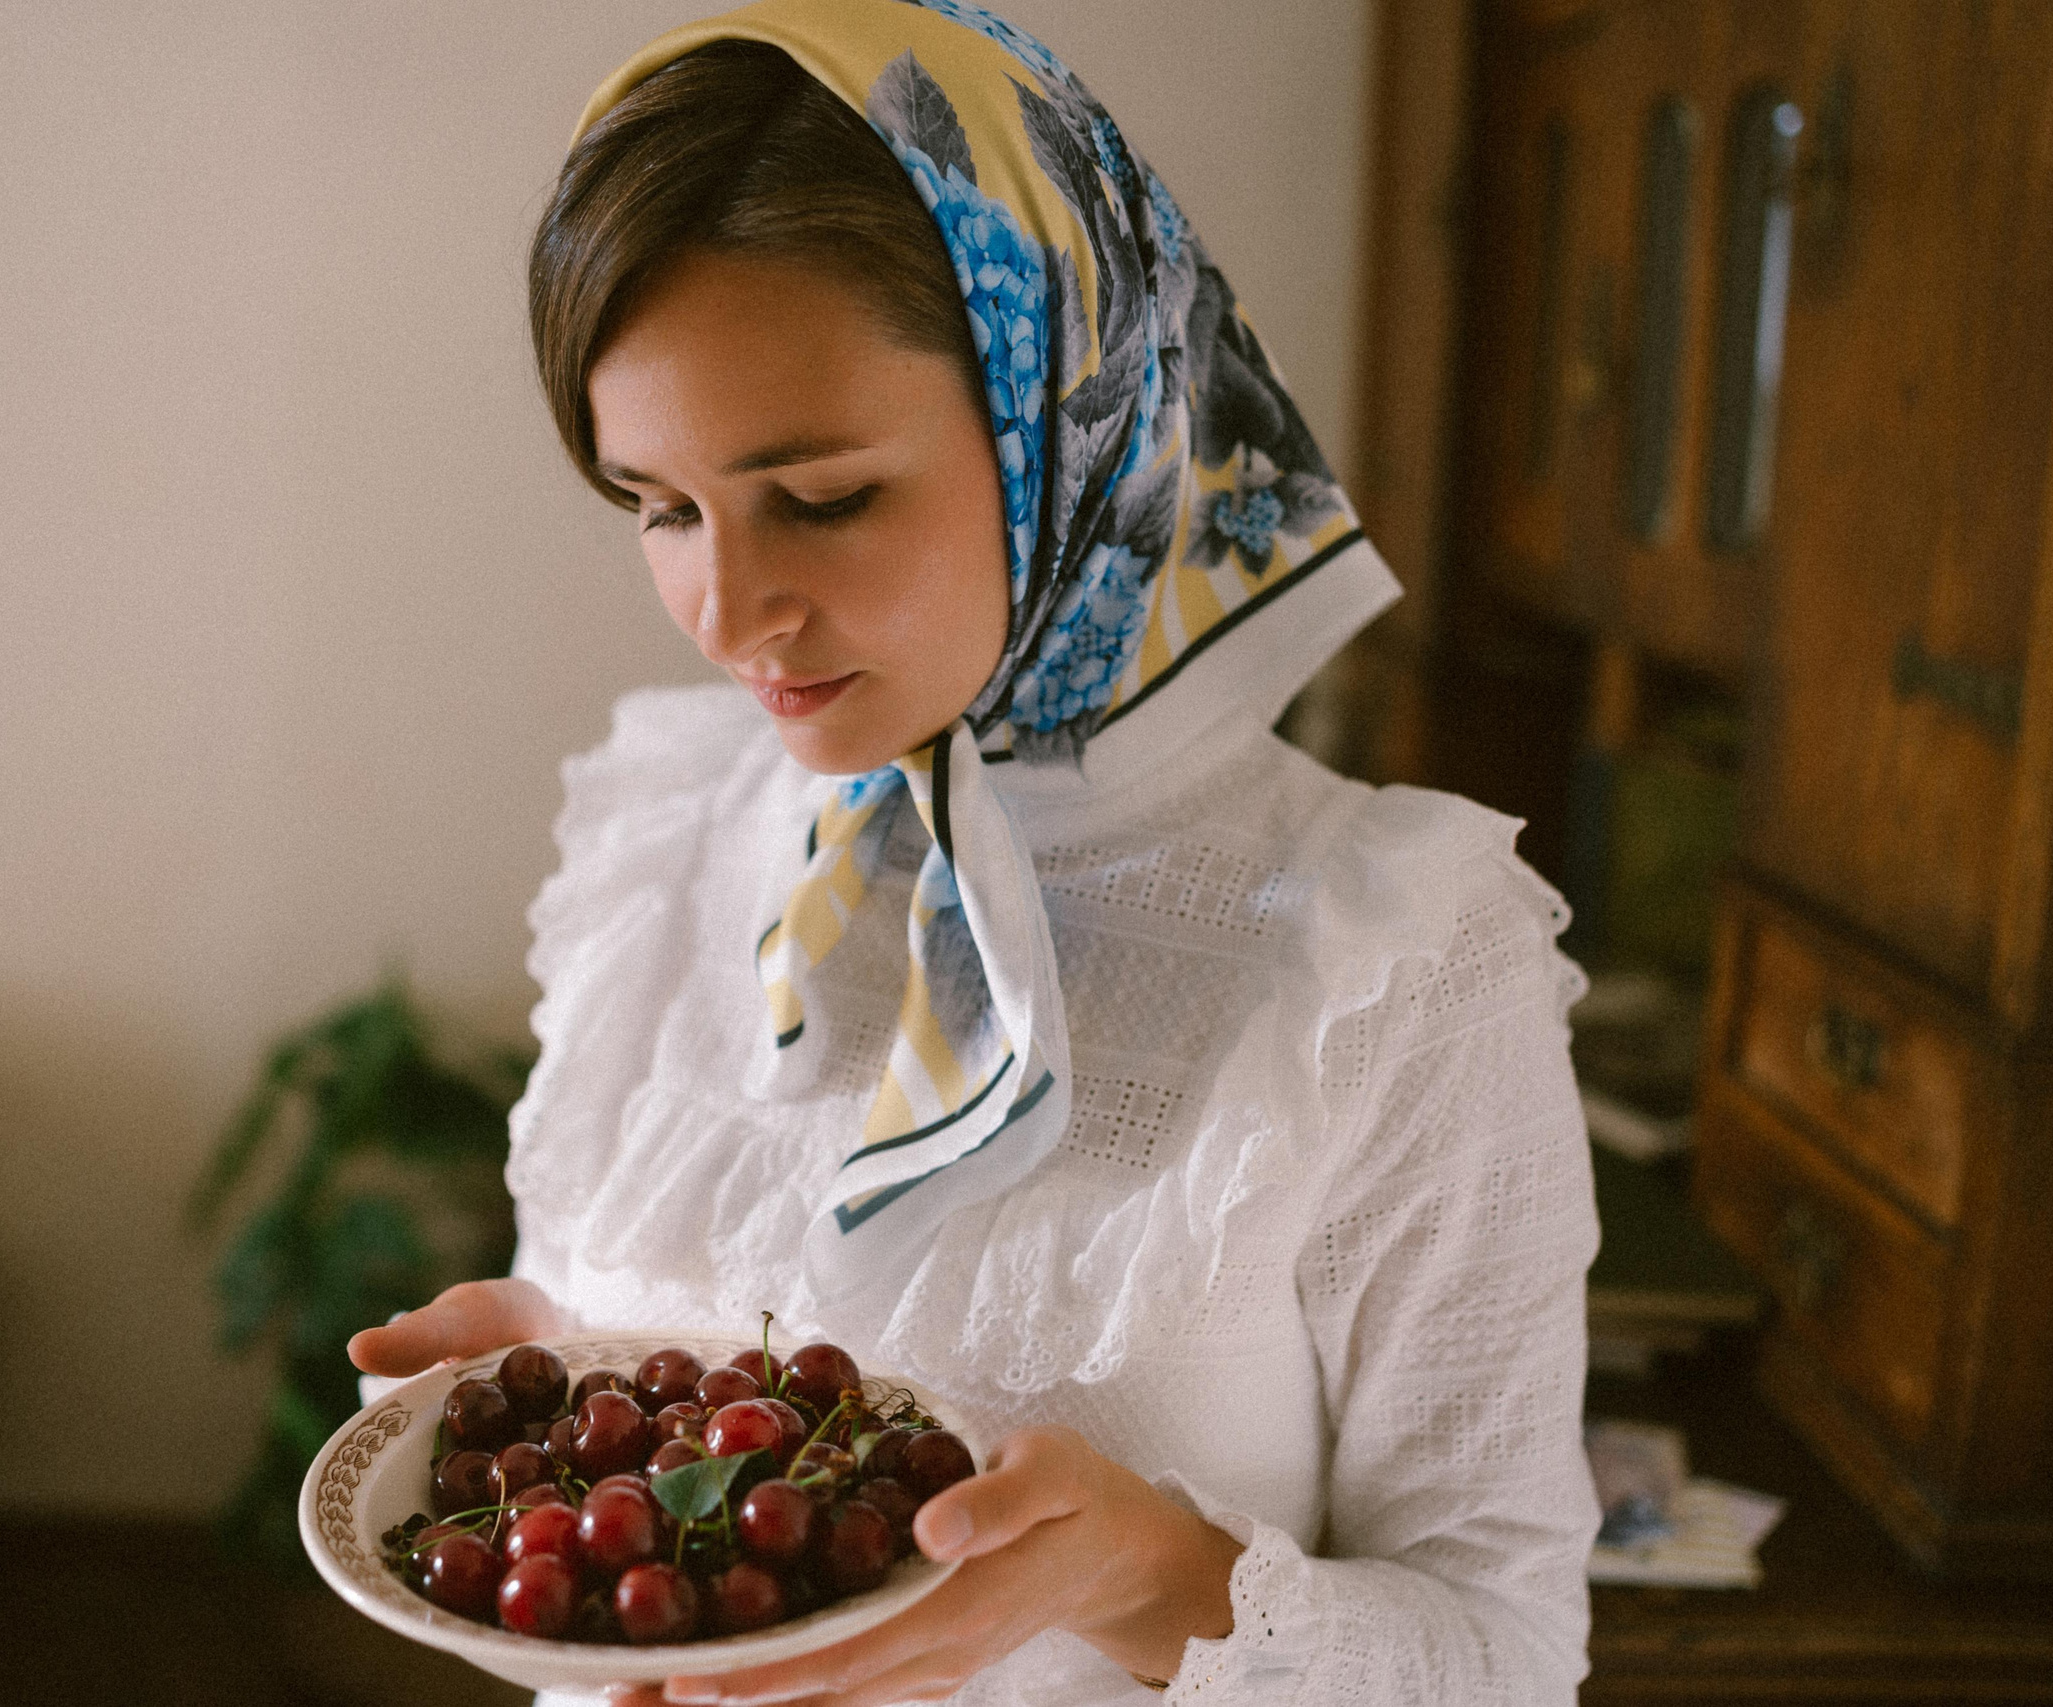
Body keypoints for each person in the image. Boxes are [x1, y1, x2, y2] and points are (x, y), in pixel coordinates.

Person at [350, 3, 1601, 1702]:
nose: (726, 613)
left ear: (1061, 411)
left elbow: (1507, 1657)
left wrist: (1160, 1583)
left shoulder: (1396, 961)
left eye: (825, 497)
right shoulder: (675, 836)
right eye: (658, 506)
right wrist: (546, 1399)